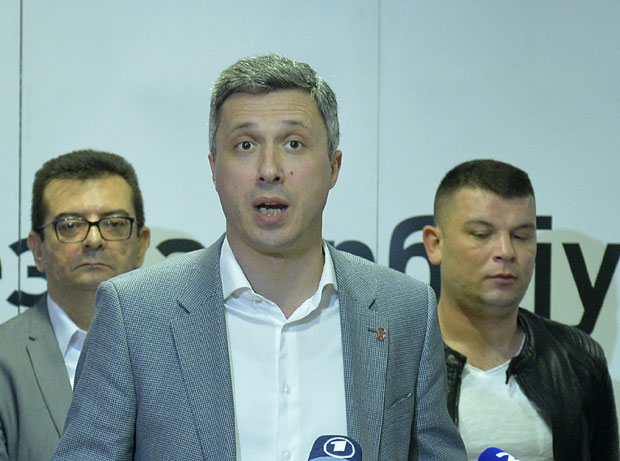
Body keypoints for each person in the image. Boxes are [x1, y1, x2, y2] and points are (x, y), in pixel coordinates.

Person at [52, 55, 466, 461]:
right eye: (245, 145)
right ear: (214, 168)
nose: (269, 169)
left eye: (293, 143)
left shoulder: (406, 311)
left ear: (333, 166)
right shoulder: (135, 314)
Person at [422, 159, 619, 460]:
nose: (506, 251)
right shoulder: (399, 360)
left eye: (521, 236)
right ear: (435, 243)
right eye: (482, 234)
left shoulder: (579, 359)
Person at [0, 149, 151, 461]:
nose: (94, 240)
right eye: (70, 225)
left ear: (142, 244)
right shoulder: (5, 358)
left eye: (113, 223)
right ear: (37, 249)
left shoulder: (185, 352)